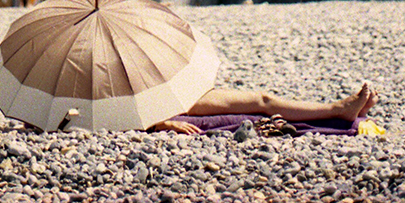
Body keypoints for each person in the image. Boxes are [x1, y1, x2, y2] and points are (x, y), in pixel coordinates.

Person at [151, 83, 379, 134]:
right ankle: (337, 109)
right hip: (166, 104)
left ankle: (339, 110)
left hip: (168, 93)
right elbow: (117, 118)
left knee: (262, 101)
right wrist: (162, 123)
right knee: (262, 102)